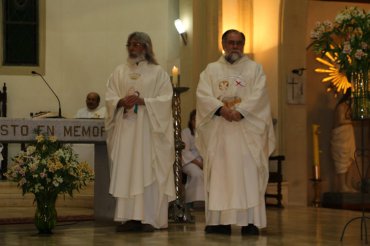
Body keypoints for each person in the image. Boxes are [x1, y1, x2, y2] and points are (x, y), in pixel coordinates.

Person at [196, 29, 275, 236]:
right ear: (223, 44)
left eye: (238, 43)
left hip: (246, 133)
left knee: (248, 175)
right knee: (220, 176)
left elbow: (260, 96)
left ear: (243, 45)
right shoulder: (211, 70)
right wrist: (221, 109)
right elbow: (203, 95)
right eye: (230, 42)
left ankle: (249, 222)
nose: (234, 46)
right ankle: (219, 221)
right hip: (219, 131)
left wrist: (241, 111)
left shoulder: (254, 69)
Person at [105, 32, 175, 232]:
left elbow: (165, 99)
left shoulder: (158, 72)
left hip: (148, 132)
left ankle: (149, 218)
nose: (132, 48)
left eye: (136, 44)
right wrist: (120, 101)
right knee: (127, 171)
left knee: (146, 170)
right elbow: (110, 96)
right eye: (130, 44)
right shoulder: (119, 72)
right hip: (126, 129)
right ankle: (129, 217)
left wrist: (144, 101)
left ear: (146, 47)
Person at [331, 89, 357, 192]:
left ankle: (348, 184)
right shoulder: (341, 107)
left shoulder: (349, 108)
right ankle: (342, 186)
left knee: (351, 159)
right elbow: (341, 120)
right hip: (341, 136)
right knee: (342, 160)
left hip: (349, 135)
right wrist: (352, 120)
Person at [181, 109, 205, 207]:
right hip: (189, 161)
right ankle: (193, 200)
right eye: (194, 120)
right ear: (191, 121)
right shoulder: (186, 132)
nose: (196, 122)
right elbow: (184, 151)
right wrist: (197, 163)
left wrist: (204, 161)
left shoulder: (204, 133)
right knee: (197, 173)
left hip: (202, 161)